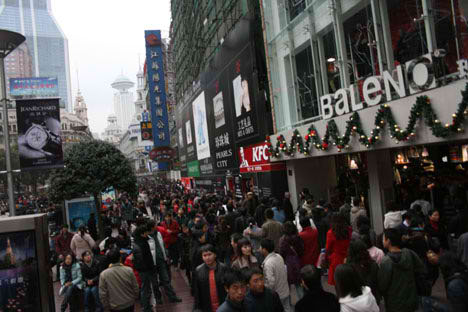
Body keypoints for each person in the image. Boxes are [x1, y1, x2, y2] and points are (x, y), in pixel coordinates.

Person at [378, 228, 426, 312]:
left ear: (388, 241)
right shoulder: (409, 253)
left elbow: (382, 285)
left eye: (383, 238)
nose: (382, 241)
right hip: (411, 298)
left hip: (394, 302)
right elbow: (421, 269)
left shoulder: (386, 261)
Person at [147, 220, 182, 304]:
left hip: (161, 260)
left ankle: (172, 297)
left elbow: (162, 245)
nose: (157, 226)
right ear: (152, 227)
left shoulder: (158, 233)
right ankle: (158, 298)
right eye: (155, 225)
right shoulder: (146, 237)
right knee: (155, 283)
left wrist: (166, 256)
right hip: (152, 263)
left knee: (166, 280)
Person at [99, 248, 139, 312]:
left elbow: (102, 294)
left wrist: (106, 306)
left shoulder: (103, 274)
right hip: (129, 303)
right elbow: (135, 287)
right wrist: (134, 298)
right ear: (120, 258)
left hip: (114, 306)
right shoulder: (129, 270)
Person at [192, 244, 229, 312]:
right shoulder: (198, 270)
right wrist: (196, 308)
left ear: (215, 255)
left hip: (223, 305)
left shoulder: (223, 268)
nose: (207, 257)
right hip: (207, 307)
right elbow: (197, 292)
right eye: (204, 255)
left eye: (209, 254)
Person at [260, 238, 290, 312]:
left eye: (260, 247)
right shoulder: (279, 256)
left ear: (264, 249)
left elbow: (270, 283)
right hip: (285, 290)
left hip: (278, 295)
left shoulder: (268, 264)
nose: (259, 249)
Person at [346, 239, 381, 303]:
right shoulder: (373, 264)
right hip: (373, 298)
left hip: (356, 301)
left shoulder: (349, 267)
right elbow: (378, 283)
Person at [131, 225, 157, 312]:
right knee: (145, 289)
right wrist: (150, 268)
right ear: (142, 234)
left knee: (146, 288)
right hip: (144, 270)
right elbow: (144, 259)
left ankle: (147, 306)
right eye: (146, 232)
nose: (147, 233)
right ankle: (145, 308)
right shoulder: (141, 244)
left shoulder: (139, 242)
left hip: (145, 269)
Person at [279, 221, 304, 302]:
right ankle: (303, 303)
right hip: (297, 262)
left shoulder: (282, 240)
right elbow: (301, 250)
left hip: (287, 263)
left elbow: (281, 253)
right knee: (299, 285)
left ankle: (289, 305)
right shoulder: (298, 237)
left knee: (287, 286)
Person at [325, 214, 352, 286]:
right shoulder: (349, 230)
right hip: (348, 257)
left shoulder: (330, 233)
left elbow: (328, 248)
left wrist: (326, 258)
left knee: (338, 283)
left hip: (336, 259)